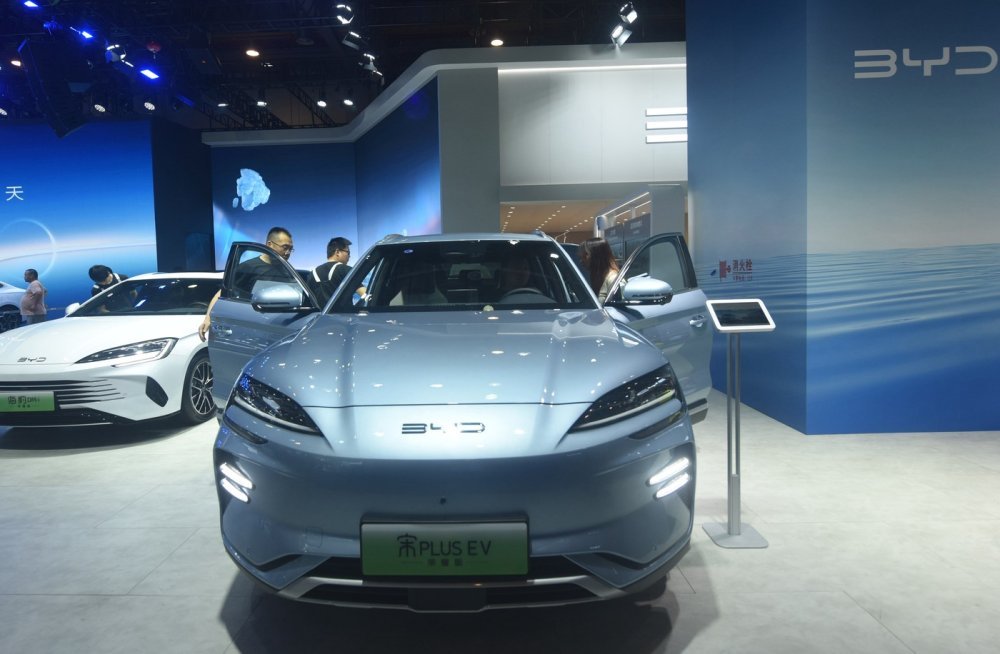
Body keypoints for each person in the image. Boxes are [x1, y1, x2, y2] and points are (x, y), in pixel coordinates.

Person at [198, 226, 294, 341]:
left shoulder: (287, 270)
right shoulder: (249, 268)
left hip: (281, 327)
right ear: (270, 244)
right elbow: (222, 293)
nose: (288, 253)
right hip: (255, 328)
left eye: (291, 249)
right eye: (285, 247)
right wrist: (208, 319)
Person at [309, 237, 353, 305]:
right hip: (344, 312)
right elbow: (365, 294)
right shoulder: (345, 270)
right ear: (337, 252)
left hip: (319, 312)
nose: (349, 256)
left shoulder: (312, 274)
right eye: (348, 252)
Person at [579, 237, 620, 302]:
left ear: (597, 255)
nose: (581, 260)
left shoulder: (613, 280)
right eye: (580, 256)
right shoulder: (596, 277)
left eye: (585, 255)